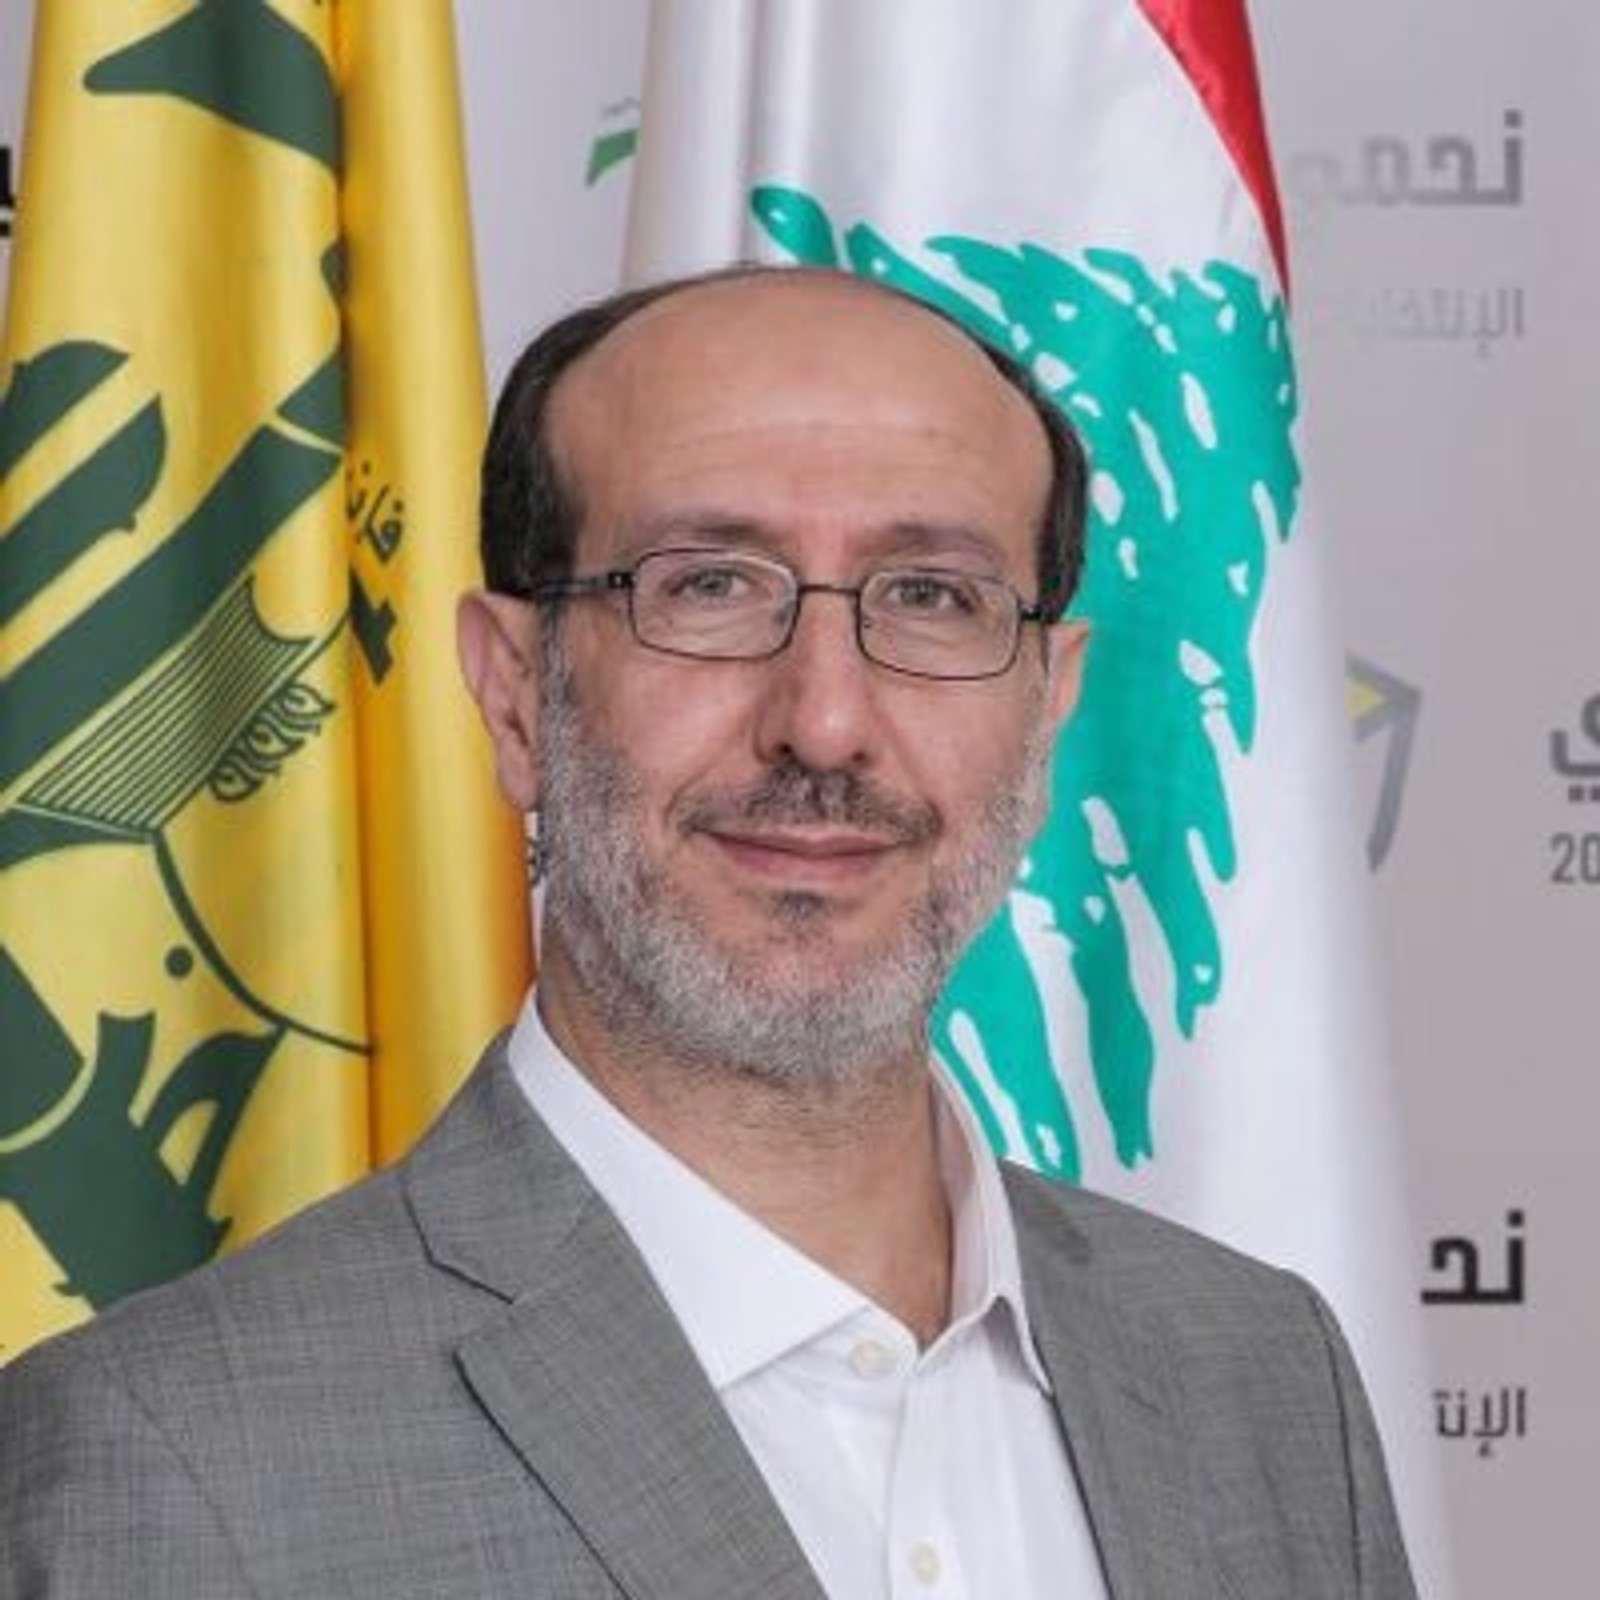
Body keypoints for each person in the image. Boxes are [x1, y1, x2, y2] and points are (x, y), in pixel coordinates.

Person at [0, 267, 1417, 1599]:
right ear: (514, 696)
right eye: (710, 585)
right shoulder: (170, 1460)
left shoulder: (1262, 1376)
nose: (826, 721)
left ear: (1045, 708)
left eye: (931, 597)